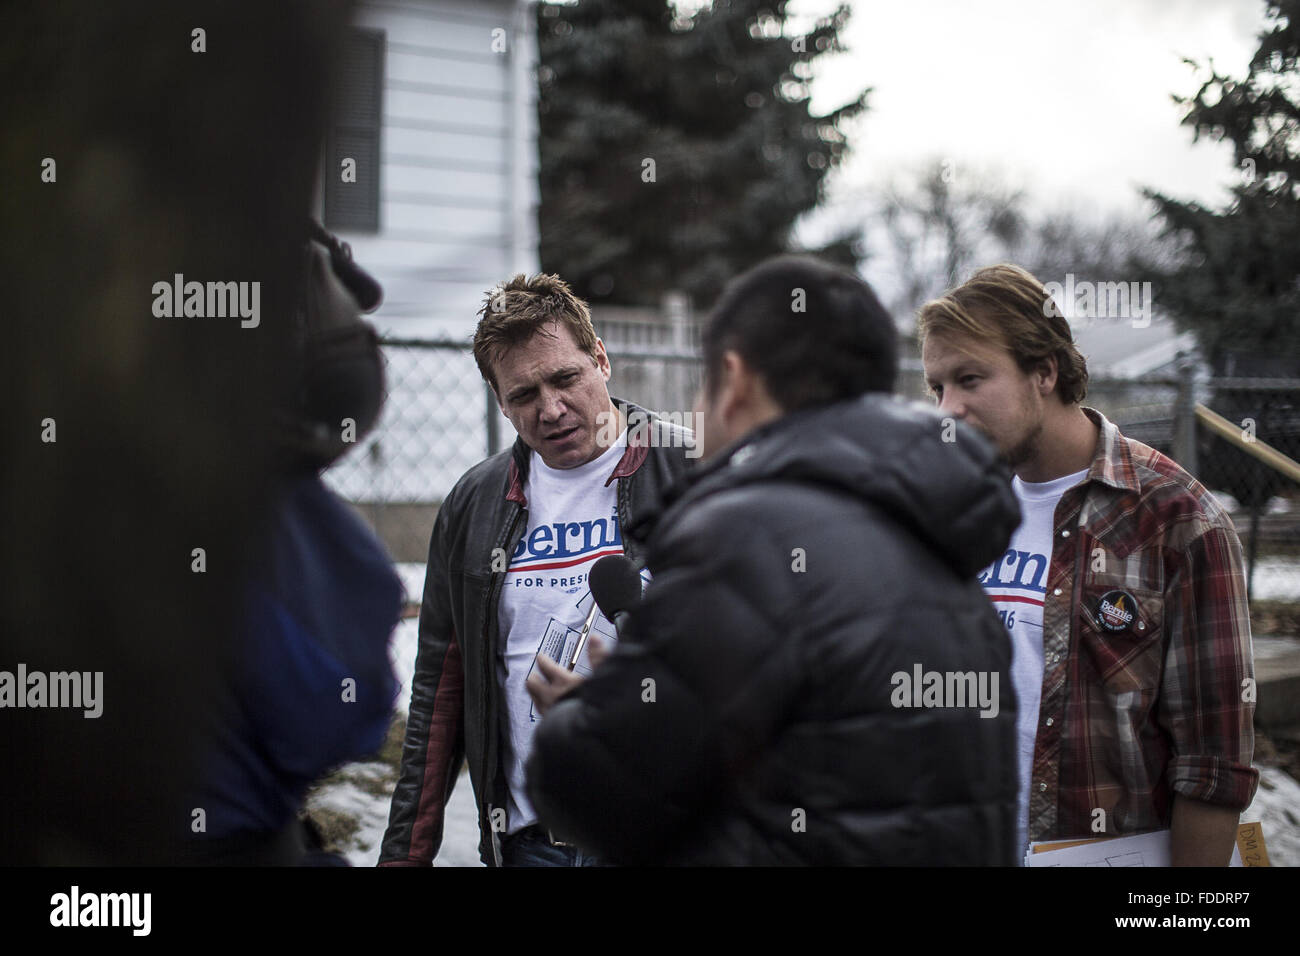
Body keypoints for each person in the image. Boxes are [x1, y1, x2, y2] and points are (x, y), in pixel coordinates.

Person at [524, 256, 1021, 865]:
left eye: (701, 387)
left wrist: (586, 716)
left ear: (734, 381)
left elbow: (602, 797)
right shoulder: (937, 536)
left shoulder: (747, 541)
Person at [918, 263, 1258, 865]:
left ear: (1044, 371)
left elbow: (1213, 768)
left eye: (970, 379)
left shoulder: (1176, 519)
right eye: (937, 388)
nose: (949, 409)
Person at [379, 274, 693, 867]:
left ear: (600, 359)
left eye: (565, 378)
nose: (550, 409)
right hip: (530, 845)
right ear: (500, 403)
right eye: (523, 394)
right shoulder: (474, 503)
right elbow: (440, 694)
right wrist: (404, 857)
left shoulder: (691, 473)